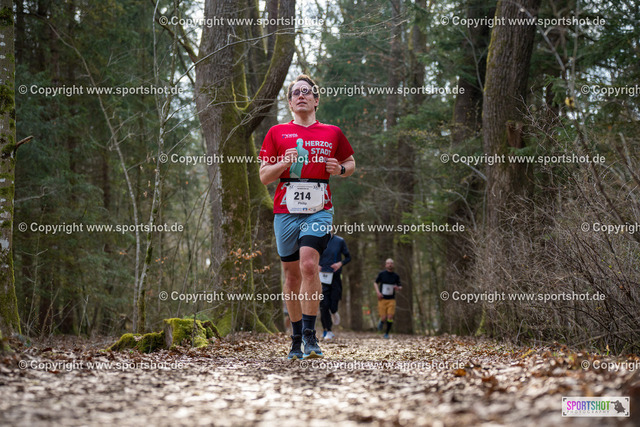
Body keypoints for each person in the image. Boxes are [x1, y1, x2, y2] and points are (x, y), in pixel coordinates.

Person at [259, 74, 355, 360]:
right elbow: (264, 176)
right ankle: (296, 338)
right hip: (285, 211)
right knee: (291, 276)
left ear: (316, 100)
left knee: (310, 265)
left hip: (319, 208)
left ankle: (312, 337)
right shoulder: (276, 132)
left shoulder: (332, 132)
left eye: (307, 91)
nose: (301, 95)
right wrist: (283, 163)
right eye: (295, 93)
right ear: (290, 103)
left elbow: (350, 163)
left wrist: (339, 169)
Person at [318, 233, 351, 340]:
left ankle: (334, 311)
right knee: (324, 305)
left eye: (329, 226)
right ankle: (327, 330)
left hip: (335, 277)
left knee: (333, 305)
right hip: (322, 277)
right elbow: (310, 255)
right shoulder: (317, 239)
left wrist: (339, 264)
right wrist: (316, 265)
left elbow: (348, 257)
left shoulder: (340, 241)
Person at [373, 258, 402, 339]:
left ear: (393, 265)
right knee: (383, 317)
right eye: (388, 263)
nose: (390, 265)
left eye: (391, 263)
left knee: (390, 316)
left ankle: (387, 333)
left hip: (391, 299)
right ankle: (381, 321)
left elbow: (400, 286)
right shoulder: (382, 274)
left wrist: (398, 288)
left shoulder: (396, 276)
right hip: (382, 299)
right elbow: (375, 283)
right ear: (385, 265)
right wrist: (378, 292)